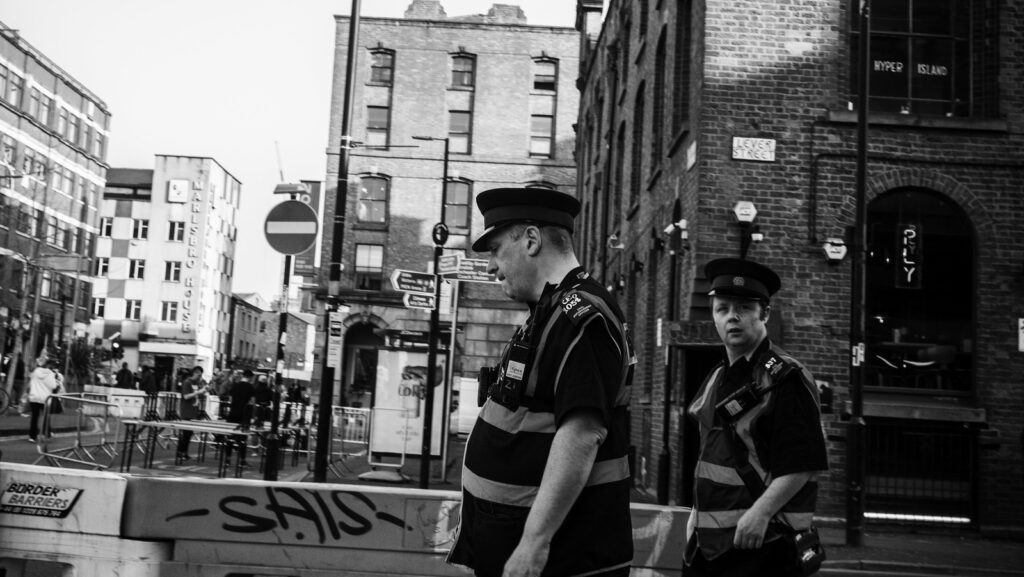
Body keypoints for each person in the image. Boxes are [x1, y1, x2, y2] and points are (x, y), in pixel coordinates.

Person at [447, 188, 636, 577]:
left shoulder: (582, 318)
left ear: (531, 240)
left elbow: (582, 434)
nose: (490, 266)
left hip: (560, 560)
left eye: (496, 249)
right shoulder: (550, 310)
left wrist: (533, 543)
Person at [683, 258, 828, 577]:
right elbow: (711, 453)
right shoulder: (717, 376)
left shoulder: (786, 378)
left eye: (744, 308)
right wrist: (696, 514)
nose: (732, 317)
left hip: (762, 543)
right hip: (709, 546)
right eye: (722, 308)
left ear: (765, 314)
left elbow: (803, 462)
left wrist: (761, 514)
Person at [176, 366, 210, 462]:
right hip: (186, 411)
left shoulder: (195, 383)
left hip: (193, 411)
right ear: (195, 373)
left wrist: (203, 391)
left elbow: (195, 394)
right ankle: (180, 453)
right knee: (185, 434)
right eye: (199, 375)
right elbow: (186, 396)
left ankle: (184, 453)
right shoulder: (187, 382)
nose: (200, 377)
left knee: (189, 434)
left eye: (201, 375)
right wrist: (199, 392)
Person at [26, 358, 61, 442]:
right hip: (45, 398)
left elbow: (30, 380)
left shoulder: (36, 371)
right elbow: (53, 386)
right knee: (46, 417)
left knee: (34, 417)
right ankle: (47, 434)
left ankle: (32, 437)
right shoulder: (50, 374)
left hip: (34, 397)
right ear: (49, 366)